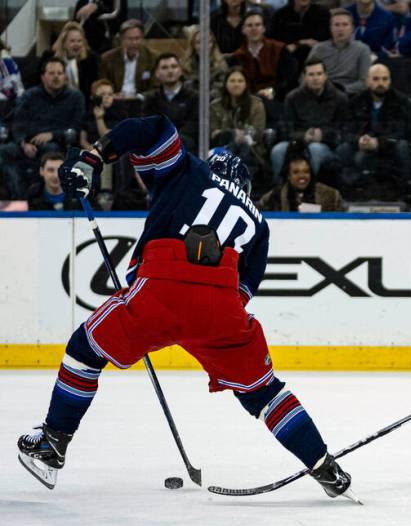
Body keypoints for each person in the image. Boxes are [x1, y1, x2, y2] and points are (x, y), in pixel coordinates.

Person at [16, 115, 352, 500]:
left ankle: (54, 441)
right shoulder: (259, 223)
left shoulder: (190, 170)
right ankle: (324, 465)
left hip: (162, 286)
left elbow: (150, 128)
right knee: (264, 393)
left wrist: (95, 157)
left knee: (84, 350)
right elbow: (243, 291)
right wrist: (202, 324)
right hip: (222, 306)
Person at [0, 57, 85, 199]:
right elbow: (18, 123)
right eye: (51, 73)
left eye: (59, 73)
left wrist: (53, 134)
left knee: (50, 149)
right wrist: (23, 143)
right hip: (27, 144)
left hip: (59, 144)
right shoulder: (30, 96)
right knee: (3, 152)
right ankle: (19, 197)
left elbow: (76, 127)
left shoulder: (75, 97)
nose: (56, 77)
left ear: (65, 76)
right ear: (43, 77)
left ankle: (41, 197)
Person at [342, 62, 411, 197]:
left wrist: (379, 142)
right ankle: (348, 194)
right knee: (343, 148)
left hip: (389, 146)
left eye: (385, 79)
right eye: (376, 79)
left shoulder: (401, 101)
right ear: (368, 81)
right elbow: (346, 130)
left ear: (390, 81)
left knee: (402, 146)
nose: (381, 83)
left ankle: (404, 192)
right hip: (362, 145)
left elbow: (403, 131)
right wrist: (359, 140)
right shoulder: (356, 101)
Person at [271, 60, 349, 180]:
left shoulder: (340, 98)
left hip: (327, 146)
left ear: (325, 76)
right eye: (311, 74)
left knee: (315, 149)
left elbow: (344, 130)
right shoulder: (292, 98)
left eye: (319, 74)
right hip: (297, 143)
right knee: (278, 150)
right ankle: (279, 190)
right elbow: (285, 129)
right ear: (304, 77)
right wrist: (303, 136)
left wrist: (323, 135)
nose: (315, 78)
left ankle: (309, 191)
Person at [210, 67, 268, 184]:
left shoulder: (256, 104)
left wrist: (236, 135)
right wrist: (233, 134)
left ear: (246, 84)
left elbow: (257, 132)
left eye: (240, 81)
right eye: (232, 81)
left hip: (251, 149)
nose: (236, 84)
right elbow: (213, 134)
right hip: (221, 148)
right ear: (225, 83)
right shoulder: (215, 106)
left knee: (243, 149)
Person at [141, 53, 200, 154]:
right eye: (164, 67)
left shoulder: (193, 97)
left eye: (174, 66)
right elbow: (148, 124)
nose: (170, 71)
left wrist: (173, 139)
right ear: (157, 73)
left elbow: (193, 124)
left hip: (185, 143)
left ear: (180, 71)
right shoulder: (151, 99)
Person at [232, 10, 297, 101]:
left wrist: (273, 91)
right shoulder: (237, 56)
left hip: (277, 98)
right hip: (247, 100)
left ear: (264, 28)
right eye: (250, 25)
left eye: (258, 25)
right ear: (243, 30)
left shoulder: (280, 50)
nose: (254, 29)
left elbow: (289, 78)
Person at [307, 9, 373, 96]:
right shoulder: (319, 49)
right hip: (321, 93)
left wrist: (342, 90)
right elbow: (305, 75)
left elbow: (364, 82)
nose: (340, 29)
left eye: (345, 25)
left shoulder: (362, 49)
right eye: (336, 25)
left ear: (352, 28)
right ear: (330, 28)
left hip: (350, 94)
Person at [258, 153, 344, 211]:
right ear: (288, 176)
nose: (302, 176)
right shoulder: (274, 196)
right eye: (296, 172)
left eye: (306, 171)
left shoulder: (330, 195)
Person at [99, 20, 157, 98]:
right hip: (116, 101)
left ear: (142, 38)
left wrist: (139, 96)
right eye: (129, 39)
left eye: (137, 38)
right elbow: (102, 84)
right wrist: (112, 95)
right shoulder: (108, 58)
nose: (134, 43)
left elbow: (156, 87)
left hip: (142, 101)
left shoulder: (153, 57)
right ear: (121, 39)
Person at [268, 0, 331, 66]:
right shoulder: (280, 15)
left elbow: (322, 38)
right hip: (288, 59)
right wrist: (300, 42)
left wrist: (295, 42)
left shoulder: (323, 13)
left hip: (316, 58)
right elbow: (273, 38)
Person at [48, 22, 99, 103]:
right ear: (64, 43)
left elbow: (93, 87)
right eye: (72, 41)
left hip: (83, 103)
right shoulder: (50, 57)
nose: (76, 44)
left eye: (79, 41)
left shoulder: (90, 59)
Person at [181, 26, 229, 101]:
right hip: (190, 103)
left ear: (212, 44)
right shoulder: (185, 64)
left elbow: (220, 89)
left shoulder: (221, 64)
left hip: (213, 103)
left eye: (207, 42)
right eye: (198, 42)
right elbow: (184, 88)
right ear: (193, 45)